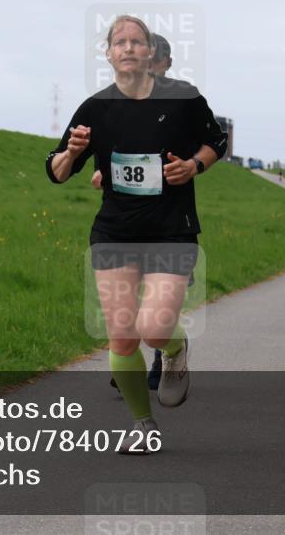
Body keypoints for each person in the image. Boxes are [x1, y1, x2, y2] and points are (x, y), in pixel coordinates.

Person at [46, 16, 226, 454]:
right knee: (123, 336)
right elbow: (55, 170)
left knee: (152, 328)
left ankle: (175, 347)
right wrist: (71, 154)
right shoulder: (95, 108)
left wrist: (194, 166)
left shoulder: (184, 99)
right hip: (114, 232)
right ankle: (142, 426)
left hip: (171, 230)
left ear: (151, 53)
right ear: (108, 54)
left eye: (137, 42)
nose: (128, 48)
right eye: (119, 42)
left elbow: (217, 141)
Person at [93, 32, 174, 392]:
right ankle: (126, 351)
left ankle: (160, 351)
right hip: (123, 219)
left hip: (164, 216)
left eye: (153, 62)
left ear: (163, 63)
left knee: (157, 298)